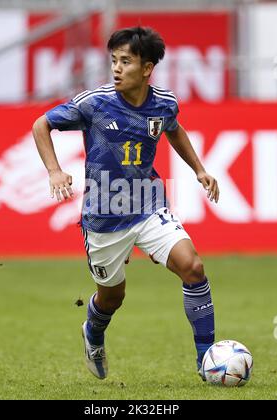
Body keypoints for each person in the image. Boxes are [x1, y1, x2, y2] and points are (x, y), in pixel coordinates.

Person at [32, 26, 220, 381]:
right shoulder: (95, 103)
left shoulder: (164, 103)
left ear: (147, 68)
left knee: (193, 268)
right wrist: (55, 171)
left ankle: (206, 360)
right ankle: (93, 332)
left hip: (148, 205)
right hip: (104, 219)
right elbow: (41, 124)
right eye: (114, 61)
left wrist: (199, 170)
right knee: (112, 298)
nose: (116, 68)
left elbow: (173, 128)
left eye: (126, 61)